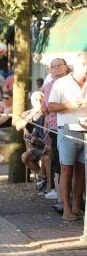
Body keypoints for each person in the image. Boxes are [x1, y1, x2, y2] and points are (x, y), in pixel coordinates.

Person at [48, 55, 86, 221]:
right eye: (84, 65)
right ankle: (66, 209)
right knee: (66, 170)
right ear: (76, 66)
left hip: (85, 132)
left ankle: (77, 207)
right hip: (68, 130)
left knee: (81, 171)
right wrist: (70, 105)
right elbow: (50, 107)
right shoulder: (61, 83)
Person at [41, 58, 69, 209]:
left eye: (60, 65)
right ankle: (61, 200)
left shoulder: (75, 84)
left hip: (74, 127)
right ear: (50, 70)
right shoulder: (48, 86)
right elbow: (46, 109)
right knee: (59, 165)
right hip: (55, 128)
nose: (57, 68)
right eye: (54, 66)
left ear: (66, 67)